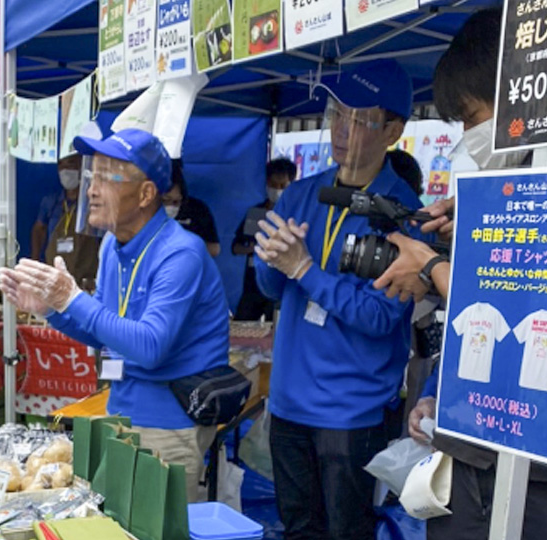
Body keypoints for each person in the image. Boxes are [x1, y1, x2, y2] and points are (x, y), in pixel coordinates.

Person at [374, 9, 547, 539]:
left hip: (533, 465)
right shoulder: (506, 195)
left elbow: (531, 315)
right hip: (471, 445)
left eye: (469, 117)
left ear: (519, 95)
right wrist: (442, 398)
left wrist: (434, 266)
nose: (467, 136)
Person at [0, 129, 230, 503]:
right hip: (120, 411)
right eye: (94, 174)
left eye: (108, 176)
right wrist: (51, 309)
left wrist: (72, 298)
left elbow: (150, 346)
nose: (91, 188)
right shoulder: (111, 246)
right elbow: (106, 331)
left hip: (168, 426)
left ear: (145, 194)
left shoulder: (181, 253)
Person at [252, 59, 425, 538]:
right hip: (288, 402)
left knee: (347, 532)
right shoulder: (301, 194)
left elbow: (379, 315)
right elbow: (272, 292)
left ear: (392, 130)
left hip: (353, 414)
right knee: (297, 528)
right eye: (337, 114)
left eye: (360, 119)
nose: (342, 130)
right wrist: (271, 261)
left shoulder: (403, 215)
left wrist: (305, 268)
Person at [232, 158, 297, 321]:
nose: (278, 190)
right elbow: (235, 248)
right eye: (274, 185)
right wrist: (257, 248)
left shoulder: (296, 216)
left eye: (283, 186)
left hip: (281, 286)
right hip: (252, 285)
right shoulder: (255, 213)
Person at [161, 159, 221, 256]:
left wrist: (184, 246)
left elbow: (214, 249)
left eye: (176, 202)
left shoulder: (197, 209)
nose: (171, 206)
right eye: (165, 200)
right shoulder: (145, 211)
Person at [32, 154, 85, 261]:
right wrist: (35, 258)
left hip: (85, 272)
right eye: (61, 165)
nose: (65, 170)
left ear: (81, 166)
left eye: (70, 163)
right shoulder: (51, 202)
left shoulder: (90, 202)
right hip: (54, 267)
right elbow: (38, 229)